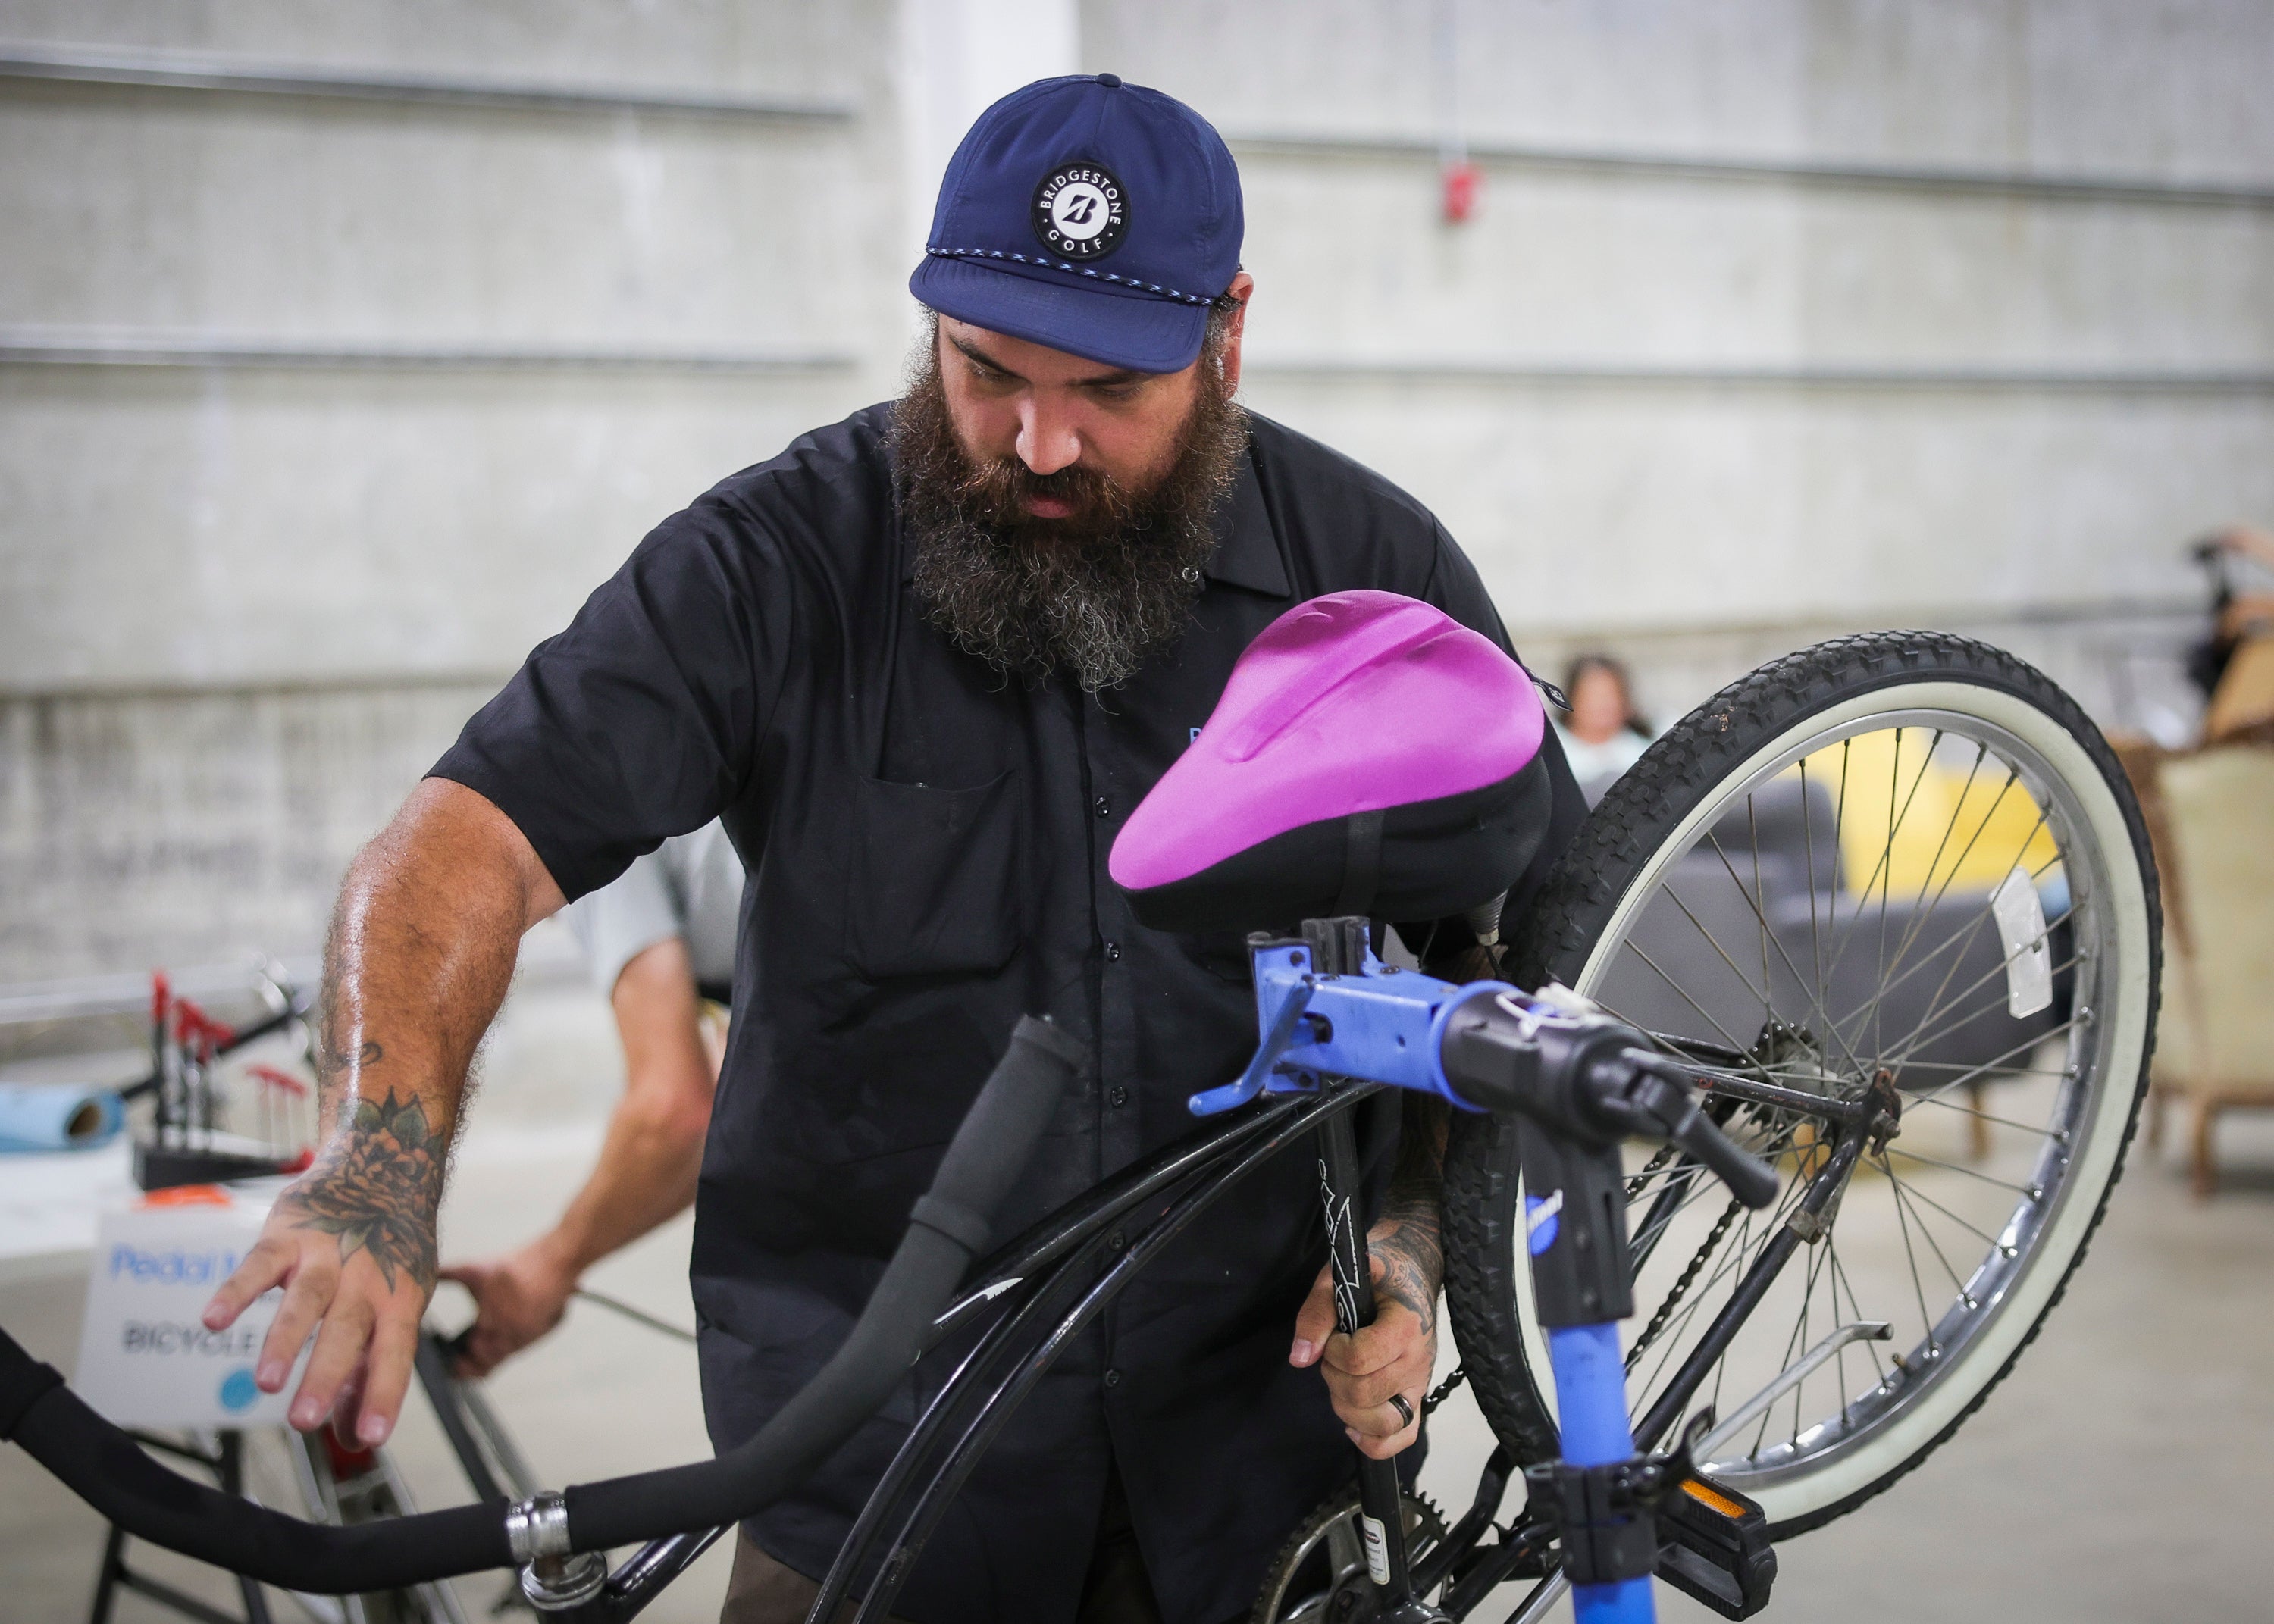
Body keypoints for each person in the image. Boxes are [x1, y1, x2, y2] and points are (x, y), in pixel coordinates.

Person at [199, 74, 1583, 1623]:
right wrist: (375, 1167)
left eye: (1109, 387)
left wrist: (1414, 1230)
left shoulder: (1374, 579)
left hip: (1256, 1481)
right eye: (986, 369)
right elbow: (463, 840)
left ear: (1228, 333)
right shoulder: (779, 567)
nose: (1038, 442)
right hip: (874, 1482)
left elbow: (1538, 953)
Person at [438, 822, 743, 1377]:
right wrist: (555, 1264)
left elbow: (674, 1112)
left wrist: (551, 1264)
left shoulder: (592, 840)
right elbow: (729, 1122)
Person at [1552, 652, 1652, 801]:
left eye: (1609, 695)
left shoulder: (1644, 754)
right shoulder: (1551, 754)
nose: (1601, 705)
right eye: (1592, 695)